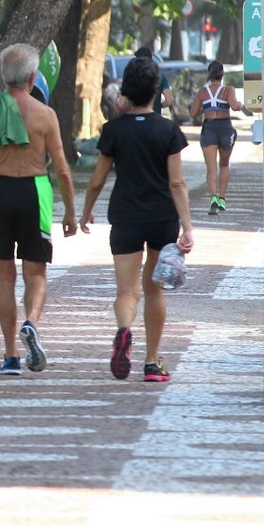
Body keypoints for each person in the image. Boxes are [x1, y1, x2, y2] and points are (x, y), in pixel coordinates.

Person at [81, 56, 193, 382]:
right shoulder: (170, 131)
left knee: (127, 292)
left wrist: (87, 211)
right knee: (154, 290)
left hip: (125, 219)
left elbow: (98, 179)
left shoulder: (114, 130)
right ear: (156, 90)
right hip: (162, 219)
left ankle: (123, 331)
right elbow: (177, 183)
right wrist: (187, 225)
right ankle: (152, 363)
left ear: (127, 90)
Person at [0, 43, 77, 376]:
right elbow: (62, 169)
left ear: (4, 76)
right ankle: (30, 323)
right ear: (32, 77)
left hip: (0, 191)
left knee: (4, 277)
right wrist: (71, 212)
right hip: (35, 192)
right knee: (36, 273)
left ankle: (10, 355)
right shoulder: (45, 115)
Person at [189, 60, 252, 215]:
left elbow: (192, 113)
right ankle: (223, 198)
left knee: (211, 168)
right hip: (225, 128)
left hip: (209, 128)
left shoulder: (203, 92)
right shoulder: (228, 90)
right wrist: (239, 103)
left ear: (209, 75)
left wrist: (206, 107)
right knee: (224, 165)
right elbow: (235, 107)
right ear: (222, 74)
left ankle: (213, 198)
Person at [133, 46, 174, 116]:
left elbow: (123, 102)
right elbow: (169, 100)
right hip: (154, 117)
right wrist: (158, 105)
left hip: (135, 117)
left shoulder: (132, 75)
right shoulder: (160, 75)